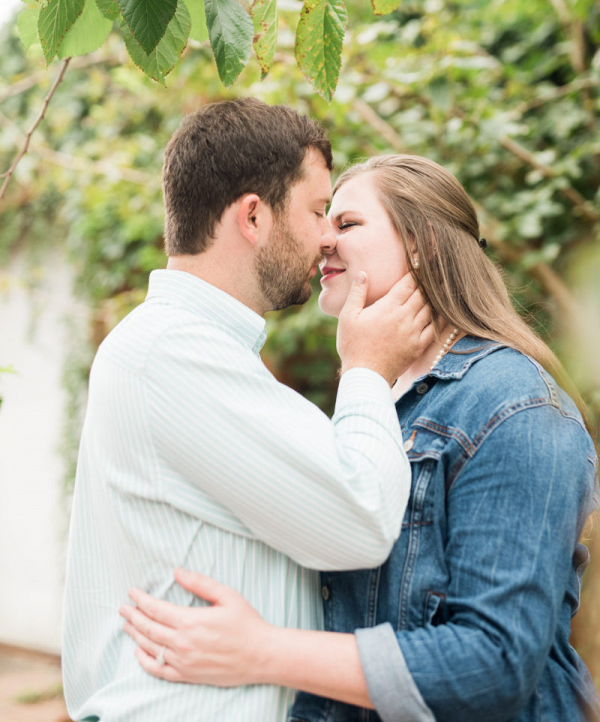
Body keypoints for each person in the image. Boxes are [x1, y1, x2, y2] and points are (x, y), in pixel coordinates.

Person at [120, 154, 600, 722]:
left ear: (421, 243)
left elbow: (493, 662)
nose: (323, 238)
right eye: (325, 220)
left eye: (346, 224)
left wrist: (262, 650)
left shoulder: (513, 405)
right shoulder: (375, 404)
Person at [62, 102, 435, 722]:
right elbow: (363, 517)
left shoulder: (185, 349)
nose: (327, 238)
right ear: (254, 216)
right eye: (318, 211)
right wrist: (368, 368)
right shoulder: (173, 354)